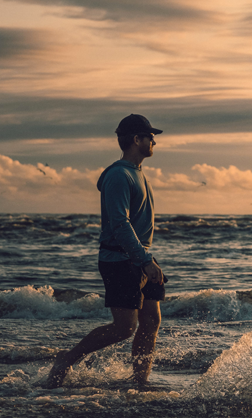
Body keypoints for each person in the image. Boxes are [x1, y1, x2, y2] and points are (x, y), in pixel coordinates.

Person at [45, 114, 166, 388]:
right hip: (121, 259)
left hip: (139, 257)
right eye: (149, 136)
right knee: (125, 328)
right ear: (136, 139)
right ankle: (68, 358)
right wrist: (145, 260)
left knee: (151, 320)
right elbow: (119, 224)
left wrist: (147, 259)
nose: (154, 141)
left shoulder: (137, 173)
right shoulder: (119, 176)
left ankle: (139, 383)